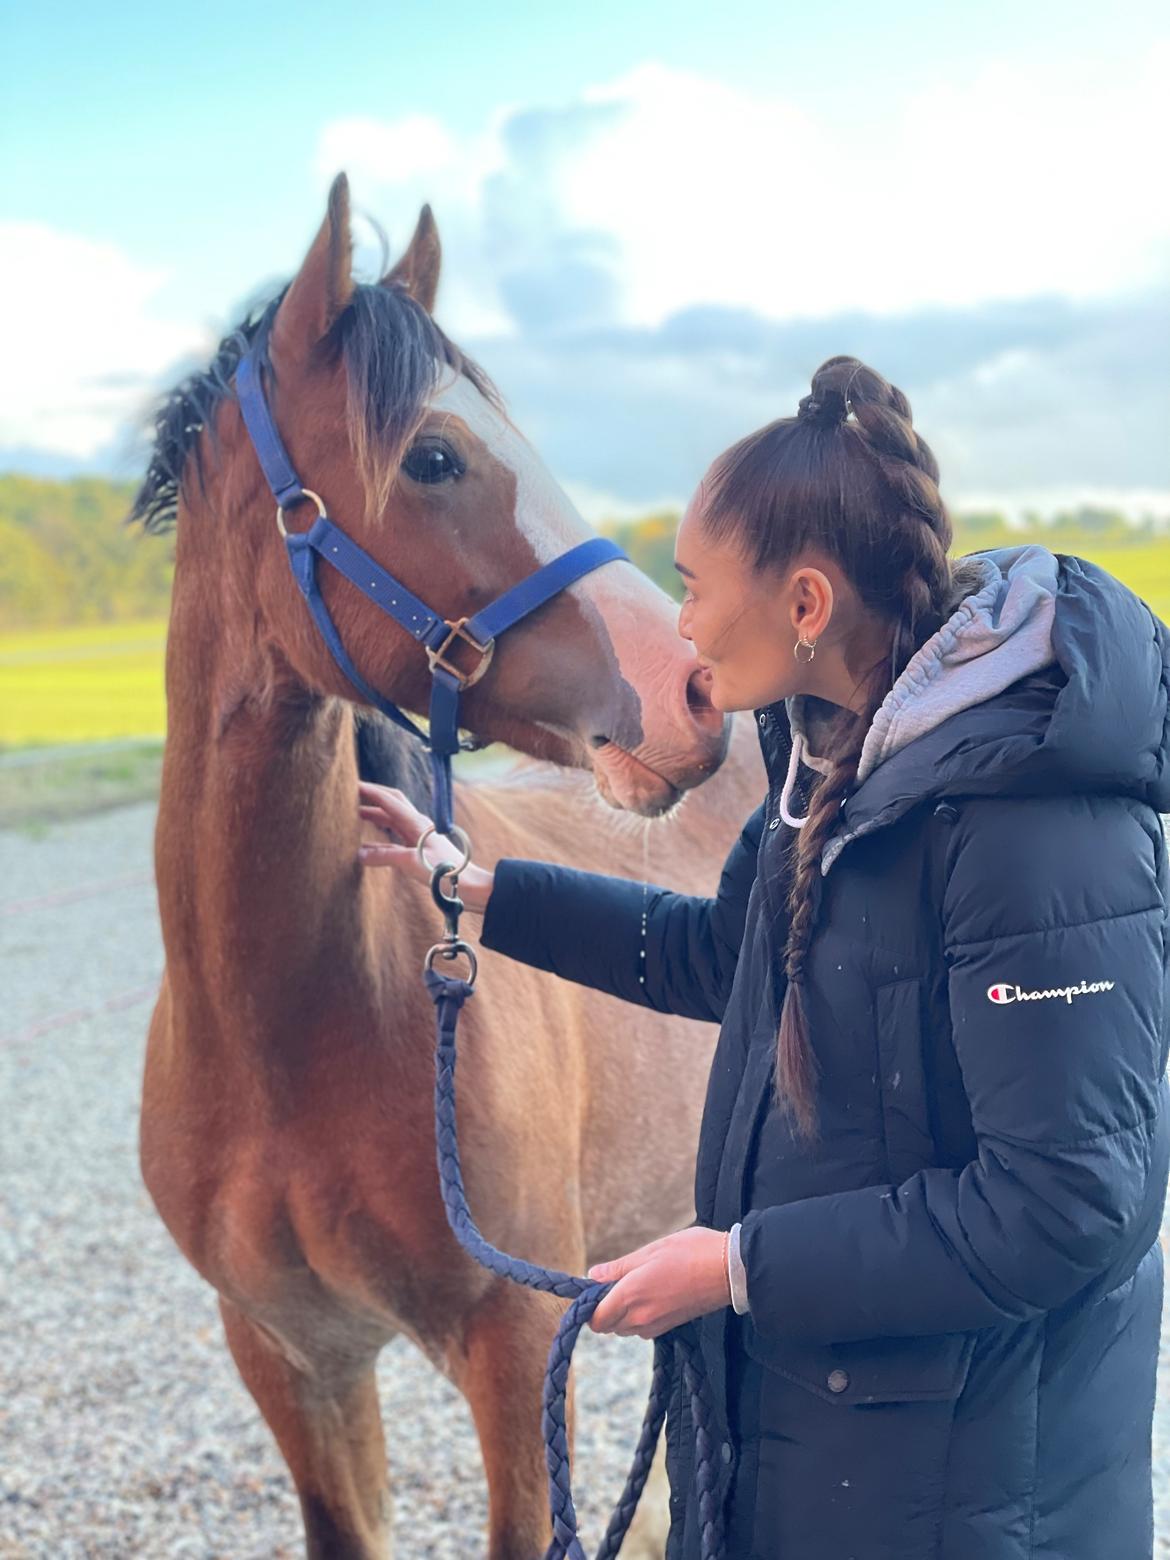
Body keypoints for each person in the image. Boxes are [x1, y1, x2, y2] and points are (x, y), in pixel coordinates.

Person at [356, 354, 1170, 1560]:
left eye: (691, 586)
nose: (675, 623)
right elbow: (712, 957)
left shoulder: (1038, 830)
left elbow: (1066, 1205)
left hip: (969, 1499)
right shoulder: (832, 763)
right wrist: (480, 885)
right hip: (830, 1447)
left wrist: (738, 1268)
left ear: (804, 605)